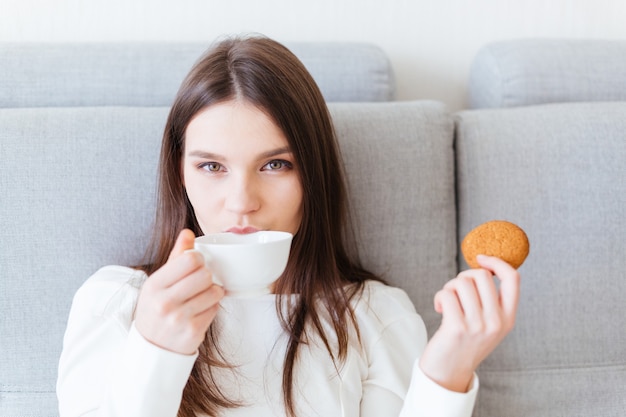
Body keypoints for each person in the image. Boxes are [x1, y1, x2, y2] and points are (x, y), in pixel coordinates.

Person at [57, 35, 520, 417]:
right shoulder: (115, 304)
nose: (242, 203)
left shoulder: (374, 316)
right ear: (180, 175)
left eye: (275, 164)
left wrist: (447, 374)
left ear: (312, 176)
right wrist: (156, 350)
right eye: (212, 167)